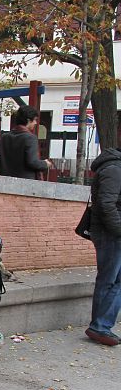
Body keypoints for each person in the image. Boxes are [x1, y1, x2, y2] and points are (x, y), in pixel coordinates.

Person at [85, 148, 121, 346]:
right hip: (111, 234)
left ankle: (101, 325)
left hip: (112, 232)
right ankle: (100, 326)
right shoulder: (114, 169)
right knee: (109, 280)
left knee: (113, 280)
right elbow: (107, 205)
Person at [0, 105, 53, 179]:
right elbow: (32, 162)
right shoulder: (30, 138)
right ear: (28, 120)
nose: (36, 123)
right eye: (35, 120)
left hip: (5, 181)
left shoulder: (4, 137)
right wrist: (45, 163)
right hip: (25, 183)